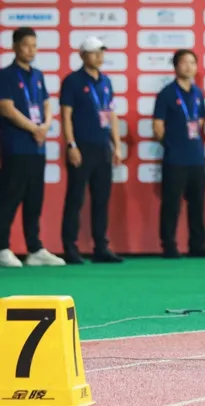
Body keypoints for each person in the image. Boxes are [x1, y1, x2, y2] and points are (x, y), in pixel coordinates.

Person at [0, 26, 65, 268]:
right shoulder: (6, 75)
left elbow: (47, 104)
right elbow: (6, 108)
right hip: (17, 147)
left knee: (34, 199)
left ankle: (35, 249)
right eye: (26, 45)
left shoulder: (37, 76)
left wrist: (45, 126)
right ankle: (2, 248)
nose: (31, 50)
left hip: (37, 147)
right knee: (9, 197)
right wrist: (33, 128)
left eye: (35, 45)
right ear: (15, 46)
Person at [59, 36, 123, 264]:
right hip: (82, 147)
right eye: (94, 52)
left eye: (101, 52)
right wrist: (71, 145)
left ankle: (100, 247)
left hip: (102, 147)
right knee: (75, 198)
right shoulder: (73, 81)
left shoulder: (106, 82)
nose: (99, 56)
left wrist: (116, 144)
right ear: (82, 55)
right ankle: (70, 247)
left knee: (101, 199)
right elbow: (66, 116)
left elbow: (112, 114)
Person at [152, 49, 205, 258]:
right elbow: (158, 126)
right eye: (184, 62)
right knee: (171, 205)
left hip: (196, 158)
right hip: (175, 159)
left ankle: (198, 245)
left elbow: (201, 121)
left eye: (192, 63)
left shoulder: (198, 94)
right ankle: (169, 245)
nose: (189, 67)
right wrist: (171, 142)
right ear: (176, 67)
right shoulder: (167, 94)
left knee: (197, 204)